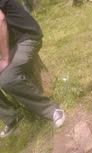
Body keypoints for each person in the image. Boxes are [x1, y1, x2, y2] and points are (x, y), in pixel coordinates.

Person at [0, 0, 64, 138]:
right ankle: (11, 117)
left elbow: (1, 21)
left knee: (7, 79)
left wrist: (4, 59)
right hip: (12, 46)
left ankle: (52, 110)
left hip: (26, 39)